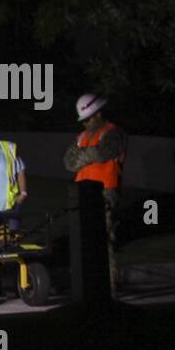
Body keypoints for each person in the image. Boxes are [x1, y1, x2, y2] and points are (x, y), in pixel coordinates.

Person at [63, 93, 126, 289]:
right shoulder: (82, 136)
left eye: (88, 118)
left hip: (105, 191)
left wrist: (83, 155)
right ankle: (90, 283)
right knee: (84, 239)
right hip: (82, 192)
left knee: (104, 238)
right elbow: (68, 162)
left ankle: (109, 285)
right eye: (83, 120)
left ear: (98, 114)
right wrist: (90, 155)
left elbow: (104, 152)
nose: (86, 123)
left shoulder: (113, 132)